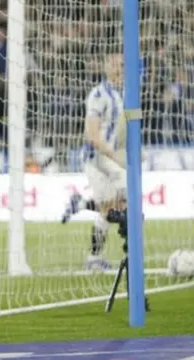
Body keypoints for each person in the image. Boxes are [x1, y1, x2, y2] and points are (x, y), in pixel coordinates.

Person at [79, 53, 128, 270]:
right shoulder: (99, 95)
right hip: (96, 159)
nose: (119, 68)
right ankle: (93, 258)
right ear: (107, 66)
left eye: (122, 64)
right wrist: (114, 155)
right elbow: (92, 134)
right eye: (115, 64)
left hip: (112, 160)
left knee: (117, 205)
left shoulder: (124, 94)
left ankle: (81, 204)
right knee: (112, 207)